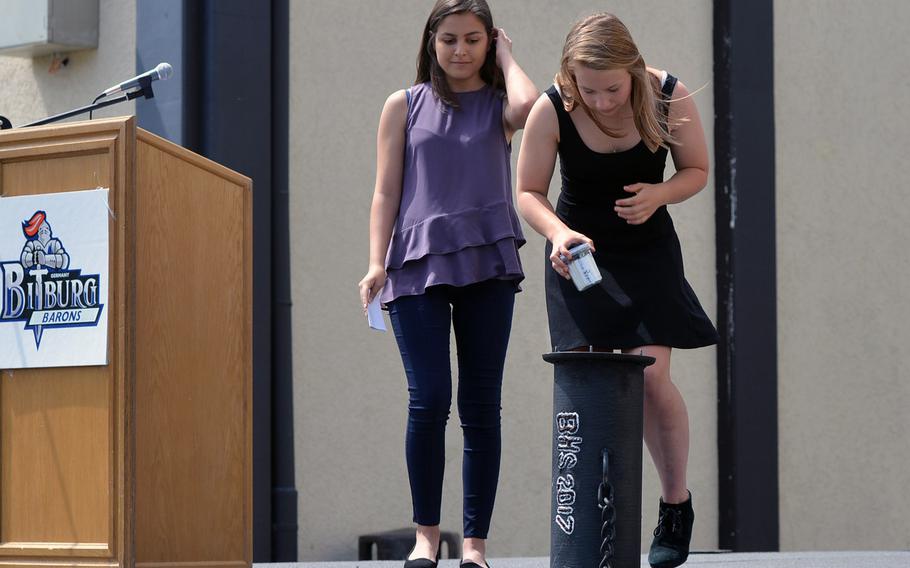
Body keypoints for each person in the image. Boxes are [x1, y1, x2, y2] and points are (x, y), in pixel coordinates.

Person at [515, 13, 718, 568]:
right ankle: (585, 521)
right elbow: (529, 190)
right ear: (569, 77)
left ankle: (675, 504)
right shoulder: (552, 107)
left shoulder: (666, 95)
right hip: (579, 253)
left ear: (632, 70)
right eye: (588, 88)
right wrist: (557, 233)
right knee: (586, 377)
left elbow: (697, 169)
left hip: (646, 247)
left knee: (650, 376)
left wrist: (660, 194)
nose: (601, 101)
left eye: (612, 88)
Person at [357, 1, 537, 567]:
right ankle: (426, 539)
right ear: (431, 43)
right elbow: (385, 191)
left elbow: (530, 108)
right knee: (429, 399)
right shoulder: (403, 105)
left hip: (487, 262)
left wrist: (508, 55)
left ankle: (476, 547)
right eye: (450, 39)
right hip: (415, 265)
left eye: (475, 40)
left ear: (489, 43)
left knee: (482, 406)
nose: (461, 50)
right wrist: (375, 262)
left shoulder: (498, 106)